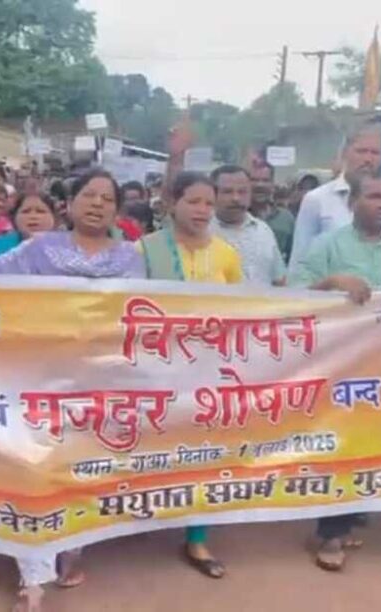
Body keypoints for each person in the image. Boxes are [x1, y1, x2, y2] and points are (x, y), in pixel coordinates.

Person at [0, 169, 142, 612]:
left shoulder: (130, 258)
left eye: (107, 197)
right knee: (37, 470)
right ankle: (32, 580)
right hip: (39, 378)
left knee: (83, 469)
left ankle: (74, 548)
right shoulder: (40, 248)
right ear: (69, 204)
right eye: (89, 194)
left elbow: (141, 318)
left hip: (99, 384)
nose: (97, 203)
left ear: (118, 210)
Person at [288, 172, 381, 571]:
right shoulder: (327, 245)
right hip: (337, 365)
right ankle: (330, 532)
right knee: (338, 443)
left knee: (368, 444)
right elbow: (293, 294)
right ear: (353, 204)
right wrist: (332, 280)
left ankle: (346, 518)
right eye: (375, 196)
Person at [139, 171, 241, 580]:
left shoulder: (226, 254)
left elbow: (242, 308)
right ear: (172, 203)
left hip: (207, 369)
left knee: (205, 451)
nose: (202, 210)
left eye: (208, 203)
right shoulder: (145, 249)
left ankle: (197, 536)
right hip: (153, 367)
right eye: (193, 201)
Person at [290, 125, 381, 273]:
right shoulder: (316, 199)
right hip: (331, 293)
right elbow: (300, 261)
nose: (368, 159)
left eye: (375, 153)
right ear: (345, 153)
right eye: (361, 151)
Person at [208, 164, 286, 285]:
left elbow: (279, 280)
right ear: (212, 195)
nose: (236, 198)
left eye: (242, 191)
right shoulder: (203, 232)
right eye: (227, 192)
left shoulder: (263, 231)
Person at [0, 192, 58, 258]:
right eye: (25, 211)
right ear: (14, 217)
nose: (33, 216)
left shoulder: (65, 247)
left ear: (54, 217)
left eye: (41, 211)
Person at [250, 160, 295, 262]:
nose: (259, 185)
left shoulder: (286, 218)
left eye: (265, 180)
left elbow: (293, 256)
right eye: (254, 180)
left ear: (273, 184)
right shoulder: (236, 217)